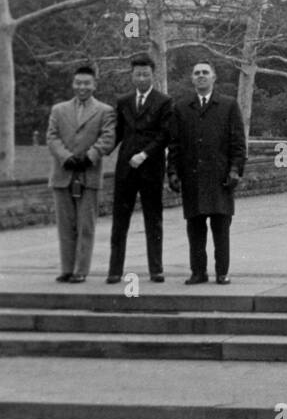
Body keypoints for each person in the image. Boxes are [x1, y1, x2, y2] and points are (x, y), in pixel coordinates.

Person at [167, 61, 246, 285]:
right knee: (195, 229)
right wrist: (172, 172)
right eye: (197, 73)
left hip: (220, 179)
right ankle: (198, 272)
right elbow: (174, 144)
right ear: (192, 79)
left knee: (221, 229)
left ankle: (222, 272)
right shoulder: (182, 108)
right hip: (192, 179)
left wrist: (234, 170)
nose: (201, 76)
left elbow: (238, 144)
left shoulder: (228, 105)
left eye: (205, 73)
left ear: (214, 78)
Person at [46, 64, 117, 283]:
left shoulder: (105, 111)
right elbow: (52, 136)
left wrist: (89, 157)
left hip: (88, 175)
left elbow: (107, 138)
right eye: (78, 82)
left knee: (86, 225)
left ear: (95, 84)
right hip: (63, 174)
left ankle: (80, 269)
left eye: (87, 83)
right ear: (73, 84)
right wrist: (66, 157)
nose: (82, 87)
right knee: (65, 225)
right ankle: (67, 268)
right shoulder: (58, 110)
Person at [106, 53, 173, 284]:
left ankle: (156, 269)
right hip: (126, 168)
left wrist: (144, 154)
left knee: (153, 219)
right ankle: (115, 270)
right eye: (137, 74)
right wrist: (100, 150)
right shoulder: (124, 101)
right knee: (120, 218)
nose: (142, 77)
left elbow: (165, 134)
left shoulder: (164, 101)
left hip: (151, 167)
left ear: (152, 75)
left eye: (146, 73)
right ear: (131, 76)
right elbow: (118, 132)